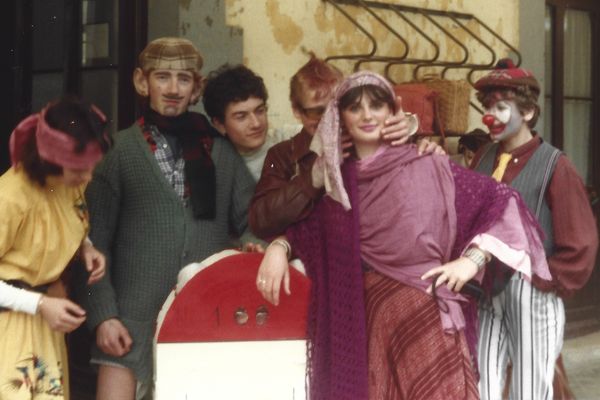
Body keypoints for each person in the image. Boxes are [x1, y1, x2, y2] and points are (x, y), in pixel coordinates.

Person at [255, 71, 552, 400]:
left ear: (391, 113)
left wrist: (471, 261)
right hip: (372, 325)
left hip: (427, 318)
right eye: (355, 108)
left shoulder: (428, 164)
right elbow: (308, 233)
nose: (367, 115)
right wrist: (278, 248)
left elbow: (503, 202)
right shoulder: (337, 186)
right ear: (340, 118)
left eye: (377, 105)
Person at [72, 37, 258, 400]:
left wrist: (254, 243)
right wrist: (103, 316)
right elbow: (93, 244)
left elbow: (253, 219)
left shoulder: (220, 152)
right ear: (142, 83)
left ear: (197, 88)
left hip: (204, 319)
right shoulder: (121, 152)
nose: (173, 89)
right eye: (162, 77)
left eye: (184, 79)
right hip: (129, 323)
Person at [471, 59, 598, 400]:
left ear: (527, 112)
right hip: (486, 293)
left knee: (528, 391)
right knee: (479, 386)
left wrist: (542, 280)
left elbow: (581, 243)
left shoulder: (555, 165)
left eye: (502, 107)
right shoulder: (482, 158)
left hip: (532, 292)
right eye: (488, 107)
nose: (491, 116)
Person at [249, 56, 435, 239]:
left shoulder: (364, 141)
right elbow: (260, 221)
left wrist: (409, 133)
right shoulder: (283, 154)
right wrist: (311, 179)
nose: (328, 118)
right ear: (297, 111)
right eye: (318, 111)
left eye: (336, 108)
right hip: (303, 254)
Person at [0, 97, 111, 399]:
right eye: (80, 171)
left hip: (46, 321)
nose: (87, 178)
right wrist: (38, 304)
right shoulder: (10, 198)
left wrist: (85, 247)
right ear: (50, 160)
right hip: (9, 326)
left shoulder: (66, 181)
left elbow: (66, 218)